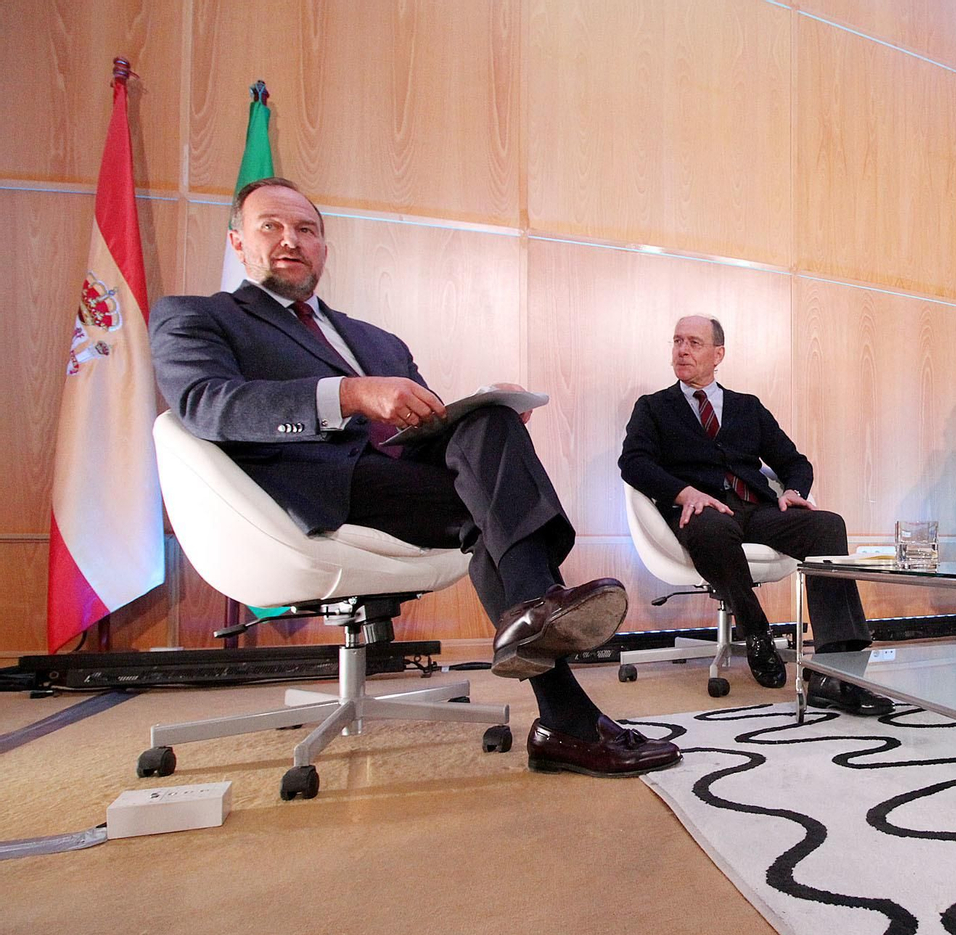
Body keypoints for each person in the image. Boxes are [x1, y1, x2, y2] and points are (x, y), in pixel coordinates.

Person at [150, 177, 680, 775]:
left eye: (306, 230)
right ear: (238, 242)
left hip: (400, 485)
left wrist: (479, 410)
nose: (290, 240)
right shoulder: (196, 317)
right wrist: (349, 394)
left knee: (489, 430)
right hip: (309, 490)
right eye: (270, 226)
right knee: (492, 514)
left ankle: (545, 657)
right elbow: (205, 402)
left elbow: (420, 430)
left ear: (323, 247)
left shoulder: (378, 340)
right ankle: (552, 669)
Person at [618, 314, 891, 714]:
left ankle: (834, 670)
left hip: (756, 510)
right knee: (712, 528)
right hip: (701, 511)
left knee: (827, 525)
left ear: (718, 353)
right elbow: (633, 463)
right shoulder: (654, 408)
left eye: (694, 342)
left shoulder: (748, 407)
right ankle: (757, 629)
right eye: (677, 341)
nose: (682, 350)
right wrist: (684, 492)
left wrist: (794, 492)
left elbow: (794, 461)